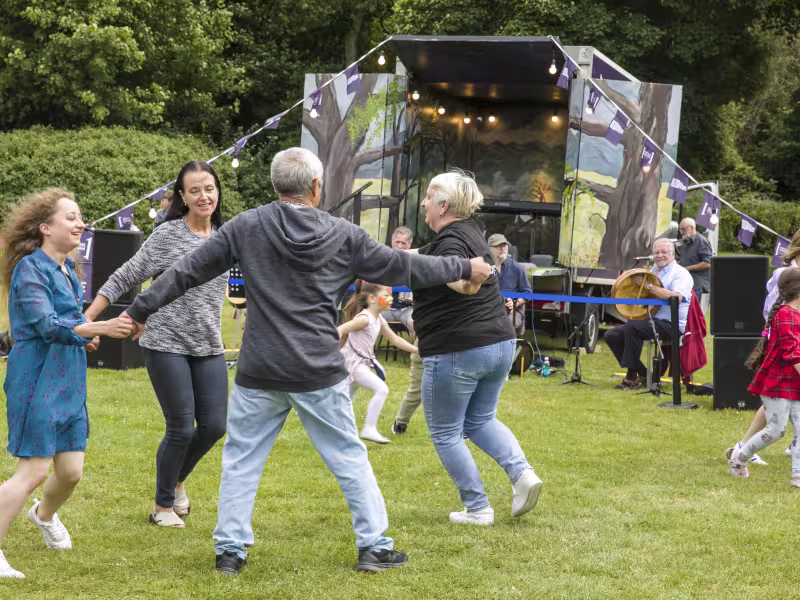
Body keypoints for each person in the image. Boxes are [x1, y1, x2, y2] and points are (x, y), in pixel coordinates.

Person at [121, 147, 490, 574]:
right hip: (317, 369)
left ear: (277, 186)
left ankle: (230, 552)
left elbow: (186, 271)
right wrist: (464, 266)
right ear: (317, 187)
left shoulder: (248, 225)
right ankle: (373, 546)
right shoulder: (342, 233)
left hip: (260, 369)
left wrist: (138, 311)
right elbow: (401, 266)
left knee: (241, 461)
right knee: (349, 458)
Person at [85, 161, 230, 528]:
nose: (203, 196)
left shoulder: (227, 236)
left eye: (209, 188)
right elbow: (126, 275)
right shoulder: (167, 235)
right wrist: (90, 319)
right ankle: (162, 506)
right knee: (180, 427)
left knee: (214, 425)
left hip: (209, 343)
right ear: (181, 196)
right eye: (194, 190)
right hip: (165, 341)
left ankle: (177, 480)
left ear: (218, 191)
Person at [0, 189, 133, 579]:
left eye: (81, 217)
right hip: (36, 376)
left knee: (71, 470)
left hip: (70, 376)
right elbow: (44, 325)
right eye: (71, 217)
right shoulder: (30, 268)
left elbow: (70, 321)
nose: (81, 224)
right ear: (45, 228)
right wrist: (100, 327)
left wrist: (86, 336)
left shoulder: (67, 269)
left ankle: (43, 516)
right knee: (34, 471)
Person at [414, 168, 542, 527]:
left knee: (445, 432)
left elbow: (460, 279)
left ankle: (477, 508)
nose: (423, 203)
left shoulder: (451, 243)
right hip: (499, 343)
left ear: (443, 204)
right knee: (480, 420)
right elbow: (414, 256)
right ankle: (523, 475)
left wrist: (448, 278)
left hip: (458, 347)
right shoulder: (470, 233)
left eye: (428, 198)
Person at [725, 230, 800, 465]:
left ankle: (750, 447)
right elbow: (773, 310)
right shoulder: (785, 273)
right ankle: (744, 448)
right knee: (776, 399)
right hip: (784, 343)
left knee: (782, 401)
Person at [605, 238, 694, 390]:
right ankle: (645, 373)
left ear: (673, 254)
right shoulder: (653, 271)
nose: (659, 255)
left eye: (664, 252)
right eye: (656, 252)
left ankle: (631, 378)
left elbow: (676, 297)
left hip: (670, 324)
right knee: (611, 335)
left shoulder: (681, 273)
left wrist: (647, 285)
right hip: (651, 320)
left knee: (632, 327)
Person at [339, 282, 419, 444]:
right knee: (381, 389)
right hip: (353, 365)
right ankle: (369, 429)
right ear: (373, 299)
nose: (391, 298)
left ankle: (343, 433)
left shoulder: (379, 319)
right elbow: (339, 330)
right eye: (387, 295)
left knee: (344, 402)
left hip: (361, 364)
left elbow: (395, 339)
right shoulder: (364, 318)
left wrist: (417, 350)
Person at [487, 233, 531, 337]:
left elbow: (527, 294)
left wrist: (515, 302)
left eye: (504, 245)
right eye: (498, 246)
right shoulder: (484, 267)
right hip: (488, 312)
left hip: (512, 313)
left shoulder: (517, 268)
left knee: (503, 325)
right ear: (489, 249)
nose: (502, 248)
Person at [676, 218, 712, 303]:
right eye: (680, 229)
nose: (681, 232)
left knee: (693, 312)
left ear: (692, 228)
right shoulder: (684, 241)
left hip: (696, 284)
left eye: (683, 229)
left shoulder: (702, 241)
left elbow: (708, 263)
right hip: (683, 284)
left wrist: (686, 269)